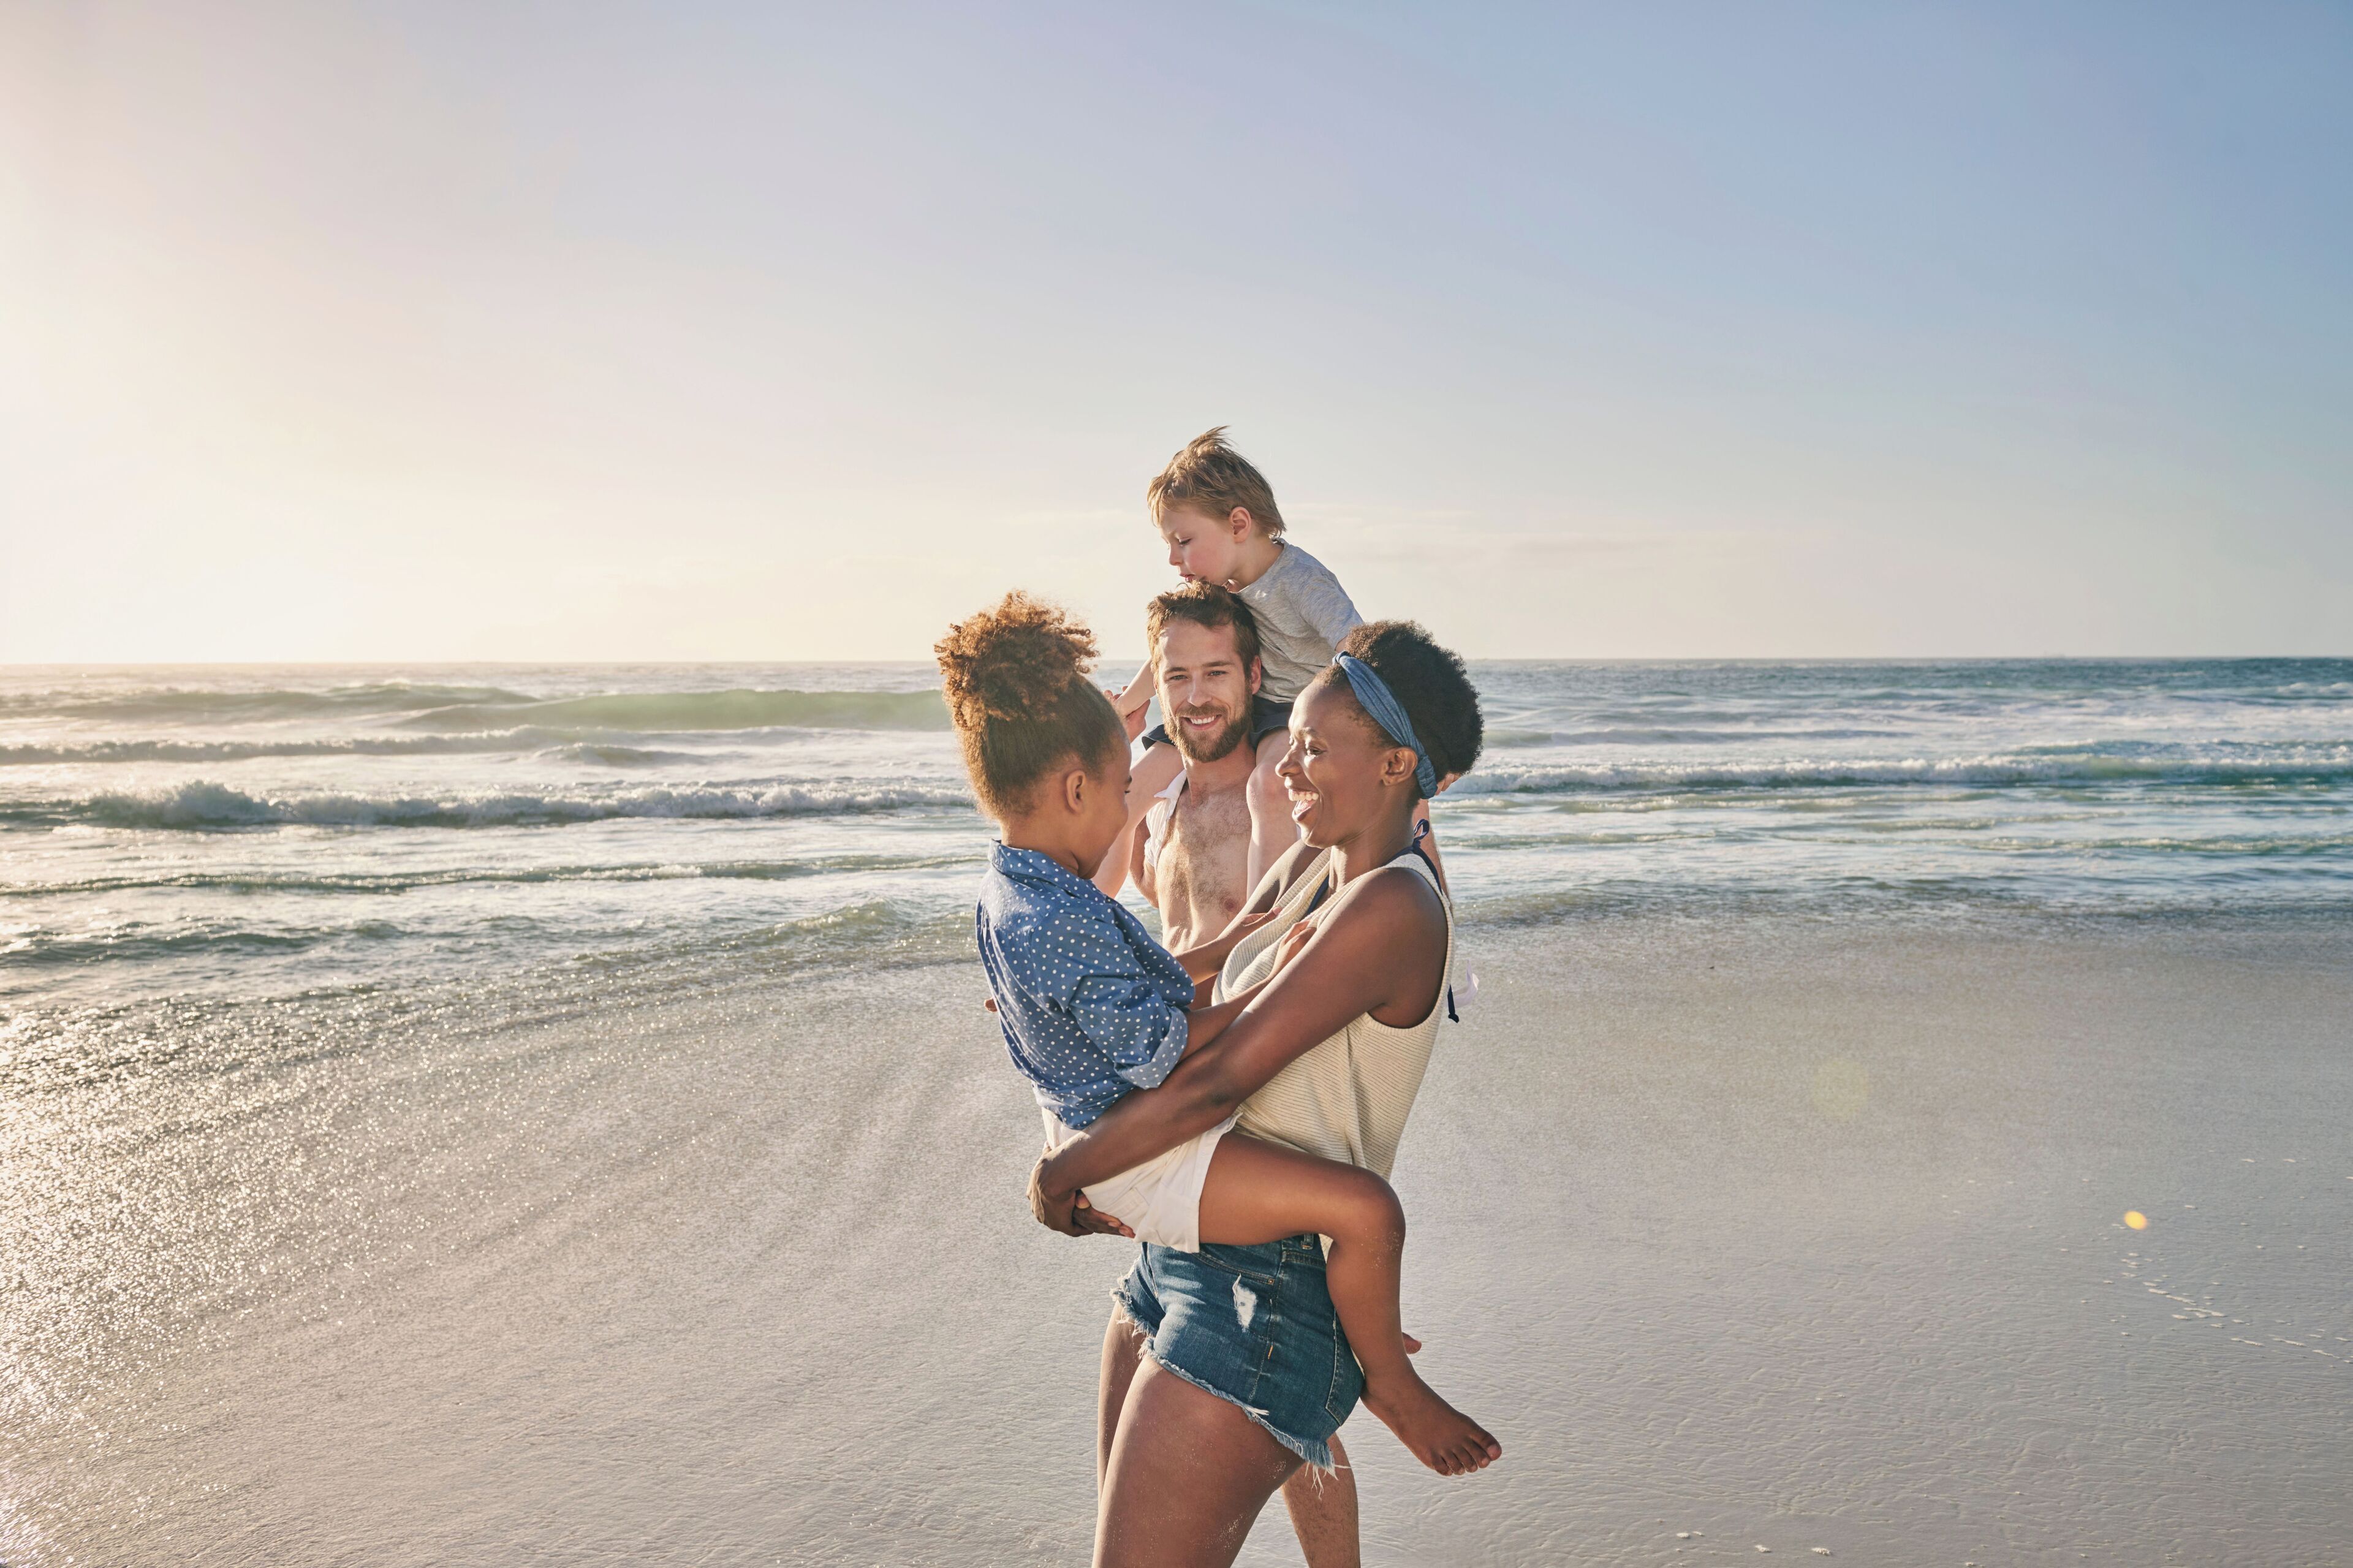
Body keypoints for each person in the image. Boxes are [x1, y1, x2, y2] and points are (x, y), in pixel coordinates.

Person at [934, 593, 1496, 1483]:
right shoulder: (1313, 861)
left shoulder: (1393, 902)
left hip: (1266, 1288)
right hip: (1190, 1248)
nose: (1286, 769)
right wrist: (1053, 999)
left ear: (1395, 764)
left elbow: (1213, 1079)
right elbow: (1190, 973)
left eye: (1314, 748)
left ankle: (1388, 1379)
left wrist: (1060, 1171)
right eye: (1294, 739)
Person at [1119, 581, 1371, 1564]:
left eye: (1216, 671)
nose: (1196, 694)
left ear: (1256, 674)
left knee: (1290, 1361)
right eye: (1177, 676)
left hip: (1265, 1100)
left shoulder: (1278, 770)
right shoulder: (1159, 792)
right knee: (1243, 1357)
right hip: (1179, 1102)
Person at [1100, 428, 1364, 898]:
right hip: (1244, 703)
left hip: (1295, 711)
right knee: (1125, 796)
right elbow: (1166, 656)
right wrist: (1123, 710)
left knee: (1268, 785)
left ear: (1239, 525)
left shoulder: (1302, 580)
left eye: (1183, 540)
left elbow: (1359, 646)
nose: (1171, 557)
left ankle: (1260, 923)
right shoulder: (1223, 584)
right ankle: (1089, 917)